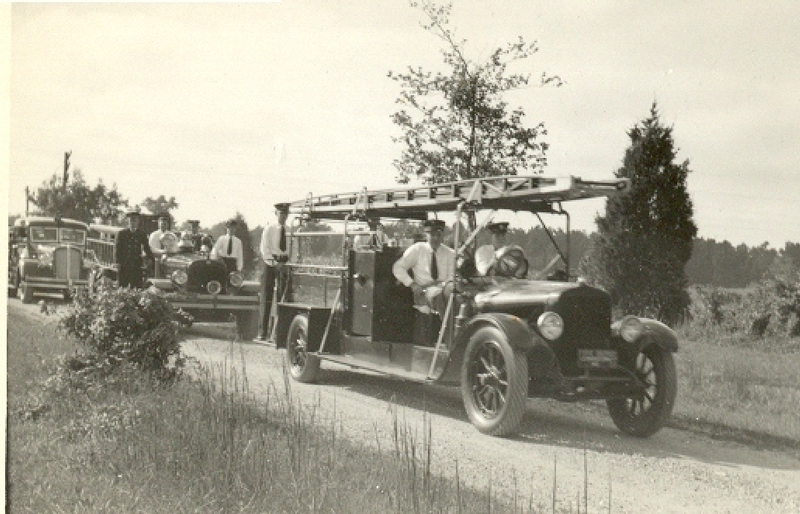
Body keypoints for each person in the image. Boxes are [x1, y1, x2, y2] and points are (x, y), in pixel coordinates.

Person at [392, 219, 455, 314]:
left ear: (443, 235)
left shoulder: (450, 253)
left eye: (439, 235)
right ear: (426, 235)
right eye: (432, 235)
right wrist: (412, 284)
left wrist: (446, 286)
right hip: (425, 292)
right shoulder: (417, 249)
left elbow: (451, 276)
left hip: (445, 290)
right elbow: (397, 268)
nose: (436, 238)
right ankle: (448, 328)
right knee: (442, 299)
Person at [256, 203, 291, 341]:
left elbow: (292, 249)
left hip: (284, 264)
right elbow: (265, 250)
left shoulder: (289, 230)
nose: (283, 216)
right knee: (267, 297)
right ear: (276, 213)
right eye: (281, 213)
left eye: (285, 214)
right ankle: (262, 333)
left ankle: (278, 334)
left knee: (283, 298)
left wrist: (287, 264)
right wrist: (275, 264)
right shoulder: (269, 229)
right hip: (270, 264)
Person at [115, 206, 154, 288]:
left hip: (136, 265)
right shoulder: (121, 234)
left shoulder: (141, 234)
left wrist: (151, 259)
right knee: (122, 286)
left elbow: (146, 248)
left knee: (136, 287)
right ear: (128, 221)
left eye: (135, 220)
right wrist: (117, 262)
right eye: (131, 220)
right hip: (124, 264)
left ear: (138, 222)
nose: (133, 222)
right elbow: (117, 249)